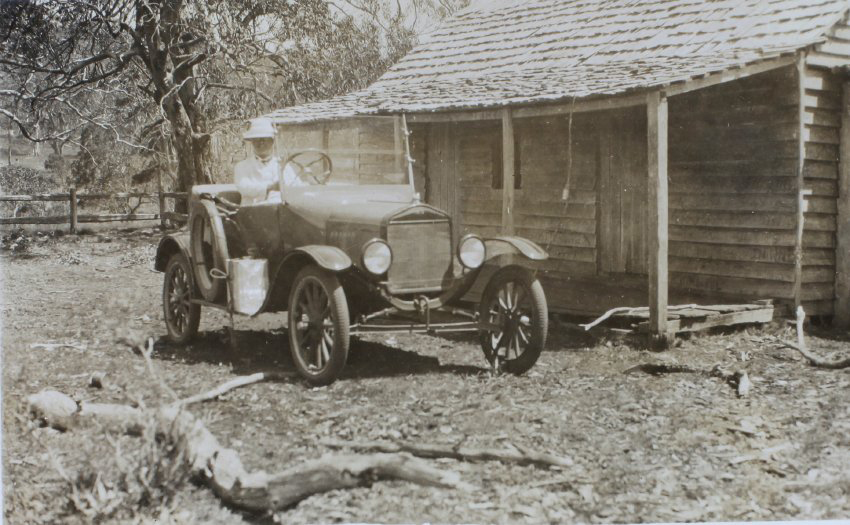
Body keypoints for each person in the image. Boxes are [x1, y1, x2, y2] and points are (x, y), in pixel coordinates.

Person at [234, 117, 304, 205]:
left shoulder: (282, 165)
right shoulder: (242, 166)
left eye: (264, 139)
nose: (261, 143)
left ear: (272, 141)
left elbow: (297, 185)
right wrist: (270, 187)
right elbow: (244, 188)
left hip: (281, 209)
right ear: (252, 142)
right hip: (254, 210)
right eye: (256, 139)